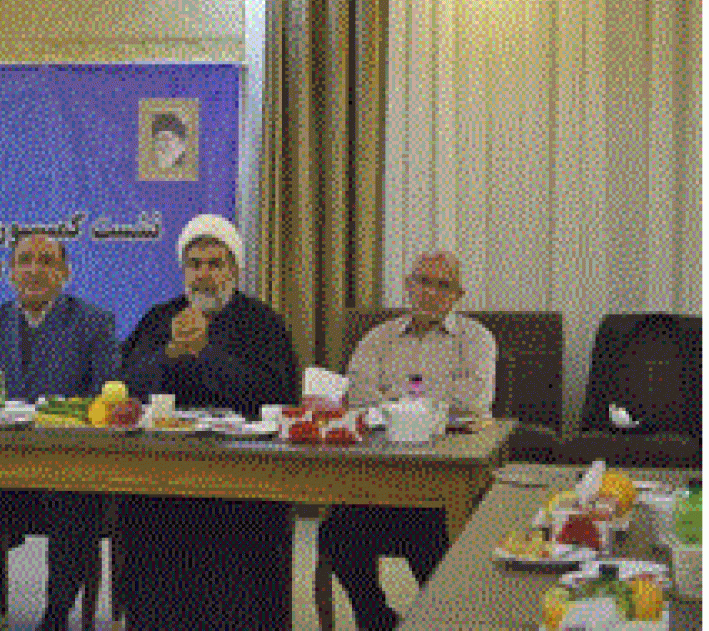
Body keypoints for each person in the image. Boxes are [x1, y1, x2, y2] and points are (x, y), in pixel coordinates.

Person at [120, 213, 299, 630]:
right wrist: (169, 354)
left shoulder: (262, 322)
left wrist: (207, 353)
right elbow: (125, 384)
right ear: (183, 271)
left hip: (243, 472)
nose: (204, 275)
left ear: (234, 270)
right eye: (195, 264)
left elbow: (277, 395)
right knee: (146, 516)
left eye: (215, 264)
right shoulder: (159, 319)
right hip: (166, 471)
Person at [317, 249, 497, 631]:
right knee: (335, 533)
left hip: (442, 484)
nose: (430, 292)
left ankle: (438, 622)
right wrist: (427, 406)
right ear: (408, 285)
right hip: (379, 478)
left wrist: (395, 402)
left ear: (458, 295)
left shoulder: (476, 339)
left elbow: (473, 403)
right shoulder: (378, 338)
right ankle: (377, 619)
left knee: (430, 540)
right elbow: (359, 395)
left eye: (442, 286)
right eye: (422, 282)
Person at [0, 234, 119, 631]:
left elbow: (105, 399)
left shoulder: (94, 323)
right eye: (24, 261)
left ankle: (55, 616)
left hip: (63, 471)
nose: (34, 270)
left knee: (77, 497)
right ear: (10, 272)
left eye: (46, 261)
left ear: (64, 273)